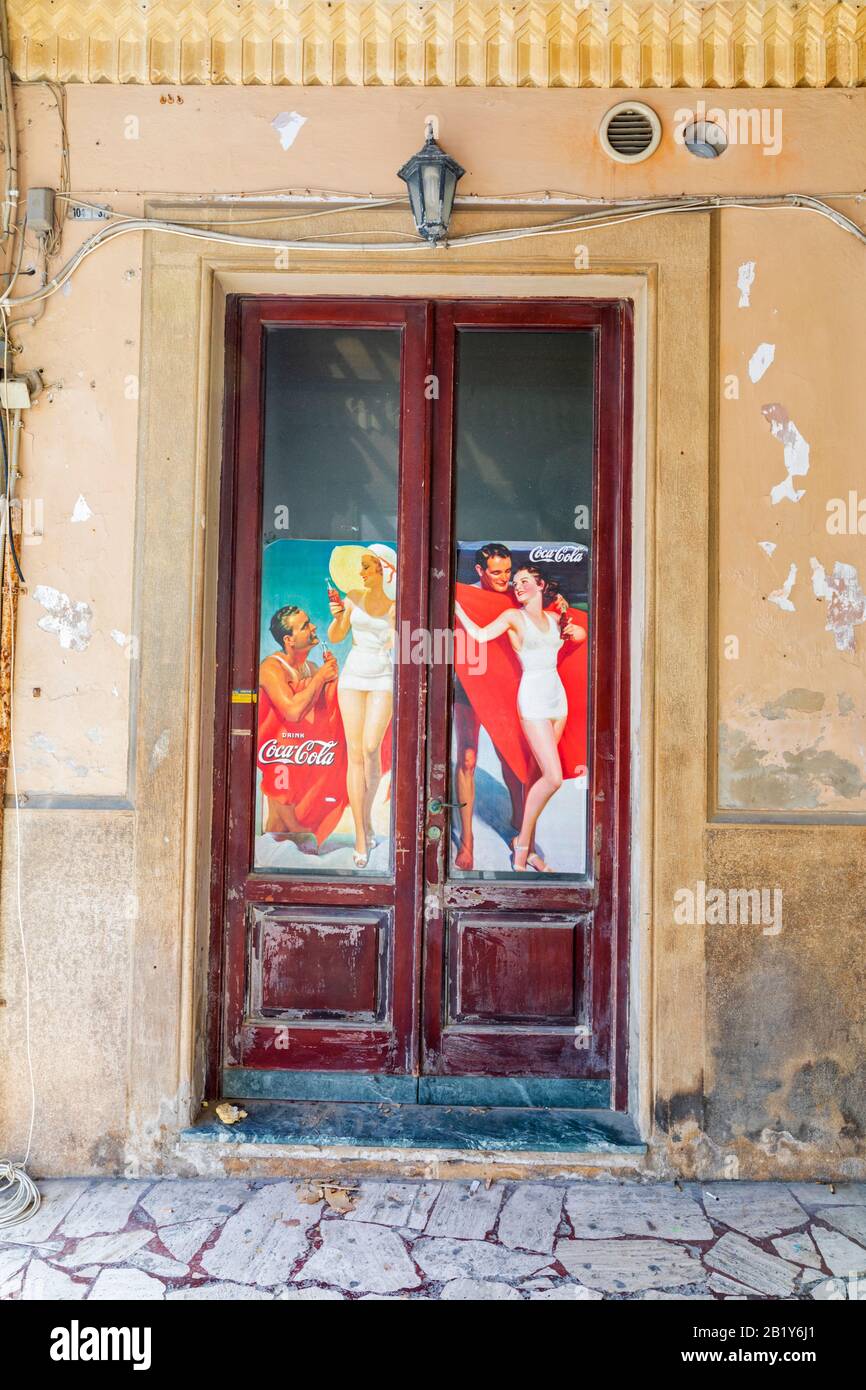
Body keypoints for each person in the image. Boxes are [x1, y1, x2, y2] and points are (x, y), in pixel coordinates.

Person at [454, 563, 586, 872]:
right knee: (552, 778)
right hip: (533, 699)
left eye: (525, 580)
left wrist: (574, 629)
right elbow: (480, 634)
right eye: (516, 582)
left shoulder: (555, 619)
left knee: (535, 776)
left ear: (541, 586)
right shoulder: (513, 617)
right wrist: (457, 608)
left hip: (557, 699)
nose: (518, 585)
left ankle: (525, 847)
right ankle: (523, 847)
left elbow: (578, 636)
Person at [452, 543, 526, 870]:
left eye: (507, 571)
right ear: (480, 570)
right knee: (467, 756)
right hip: (468, 686)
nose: (503, 578)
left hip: (506, 687)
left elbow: (543, 614)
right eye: (496, 572)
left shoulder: (517, 595)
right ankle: (467, 840)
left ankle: (521, 830)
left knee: (511, 758)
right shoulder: (462, 595)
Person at [327, 544, 396, 868]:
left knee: (371, 749)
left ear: (383, 569)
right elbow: (338, 636)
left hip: (383, 677)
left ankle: (366, 821)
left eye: (367, 567)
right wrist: (339, 616)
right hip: (353, 677)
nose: (362, 573)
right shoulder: (353, 596)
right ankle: (360, 832)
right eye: (362, 567)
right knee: (356, 755)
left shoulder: (397, 603)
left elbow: (403, 641)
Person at [257, 605, 348, 849]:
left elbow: (324, 704)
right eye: (305, 625)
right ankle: (279, 840)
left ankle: (290, 836)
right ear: (288, 639)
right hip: (279, 750)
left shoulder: (309, 668)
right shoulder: (271, 667)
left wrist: (329, 680)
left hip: (299, 751)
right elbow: (293, 711)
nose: (313, 627)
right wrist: (320, 680)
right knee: (281, 807)